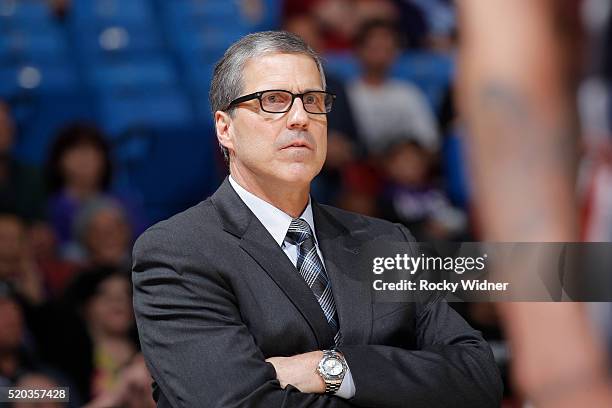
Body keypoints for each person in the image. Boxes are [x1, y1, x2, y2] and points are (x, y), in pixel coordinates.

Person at [132, 30, 502, 407]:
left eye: (313, 101)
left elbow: (477, 376)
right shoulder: (178, 251)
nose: (300, 118)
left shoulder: (387, 240)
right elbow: (239, 403)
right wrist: (398, 388)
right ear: (225, 129)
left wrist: (331, 370)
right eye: (273, 100)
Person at [346, 19, 440, 154]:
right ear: (359, 51)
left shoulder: (408, 93)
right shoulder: (347, 93)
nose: (381, 55)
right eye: (375, 48)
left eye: (387, 49)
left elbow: (429, 141)